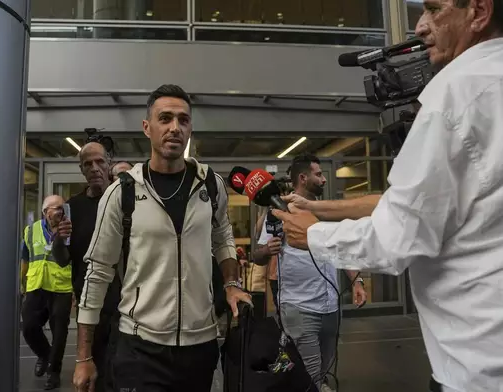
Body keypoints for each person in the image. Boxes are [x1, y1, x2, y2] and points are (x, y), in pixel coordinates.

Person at [273, 2, 503, 391]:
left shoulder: (457, 92)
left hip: (477, 367)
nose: (420, 25)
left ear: (478, 12)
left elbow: (398, 235)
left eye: (433, 9)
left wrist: (313, 234)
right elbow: (413, 202)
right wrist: (316, 209)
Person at [73, 84, 252, 392]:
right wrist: (83, 356)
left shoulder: (211, 185)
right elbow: (98, 272)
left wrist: (232, 285)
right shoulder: (122, 192)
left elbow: (222, 237)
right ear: (147, 127)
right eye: (165, 118)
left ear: (190, 128)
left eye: (183, 120)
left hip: (201, 344)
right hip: (140, 346)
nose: (174, 128)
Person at [253, 156, 366, 391]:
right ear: (303, 178)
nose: (324, 179)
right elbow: (257, 256)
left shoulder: (328, 212)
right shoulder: (279, 213)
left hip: (330, 306)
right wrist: (266, 250)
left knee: (325, 369)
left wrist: (357, 281)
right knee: (311, 376)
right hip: (299, 307)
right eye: (319, 174)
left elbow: (342, 250)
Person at [67, 141, 121, 392]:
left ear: (108, 164)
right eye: (87, 164)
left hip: (125, 304)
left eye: (100, 161)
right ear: (81, 170)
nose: (94, 168)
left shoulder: (123, 202)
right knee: (94, 377)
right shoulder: (74, 208)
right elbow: (62, 258)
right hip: (90, 307)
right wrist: (58, 240)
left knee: (123, 374)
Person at [20, 195, 73, 390]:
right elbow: (25, 258)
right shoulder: (31, 230)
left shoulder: (71, 230)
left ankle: (54, 372)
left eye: (63, 208)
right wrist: (22, 283)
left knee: (59, 333)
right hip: (36, 286)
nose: (61, 211)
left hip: (62, 288)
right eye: (56, 208)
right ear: (45, 212)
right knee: (29, 327)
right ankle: (44, 354)